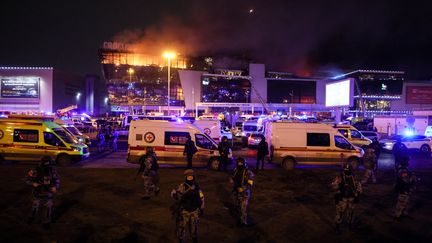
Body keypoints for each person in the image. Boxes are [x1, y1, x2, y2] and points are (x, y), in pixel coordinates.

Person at [171, 169, 204, 243]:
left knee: (194, 226)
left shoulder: (197, 187)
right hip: (184, 210)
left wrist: (201, 208)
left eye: (191, 177)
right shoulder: (182, 186)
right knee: (181, 227)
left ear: (193, 177)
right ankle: (181, 238)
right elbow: (175, 194)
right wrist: (174, 195)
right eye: (188, 177)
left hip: (194, 210)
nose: (189, 178)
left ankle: (194, 238)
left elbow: (201, 198)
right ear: (186, 177)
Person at [26, 156, 60, 226]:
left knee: (48, 207)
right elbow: (27, 180)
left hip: (48, 192)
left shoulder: (52, 171)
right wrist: (33, 183)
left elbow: (57, 180)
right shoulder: (35, 170)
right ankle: (32, 217)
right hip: (38, 191)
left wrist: (55, 187)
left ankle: (46, 221)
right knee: (35, 206)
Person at [332, 164, 362, 233]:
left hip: (351, 198)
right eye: (346, 170)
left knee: (350, 213)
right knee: (340, 213)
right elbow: (333, 186)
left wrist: (357, 195)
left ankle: (350, 225)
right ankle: (337, 227)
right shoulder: (340, 177)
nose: (347, 172)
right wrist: (340, 186)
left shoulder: (354, 177)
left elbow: (359, 187)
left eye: (348, 170)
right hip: (342, 199)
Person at [230, 157, 254, 226]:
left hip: (244, 193)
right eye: (238, 163)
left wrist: (243, 188)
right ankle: (239, 219)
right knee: (237, 207)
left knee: (243, 208)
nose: (239, 165)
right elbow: (233, 177)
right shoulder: (236, 170)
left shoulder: (248, 172)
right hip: (236, 191)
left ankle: (243, 222)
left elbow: (250, 183)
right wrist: (232, 180)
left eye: (241, 163)